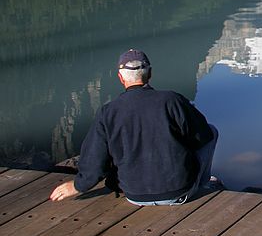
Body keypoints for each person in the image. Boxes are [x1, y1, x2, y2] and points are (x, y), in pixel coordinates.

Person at [49, 49, 219, 205]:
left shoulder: (108, 112)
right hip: (179, 193)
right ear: (150, 74)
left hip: (134, 196)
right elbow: (202, 136)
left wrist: (78, 186)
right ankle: (203, 184)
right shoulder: (172, 100)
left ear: (121, 78)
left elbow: (95, 158)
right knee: (211, 131)